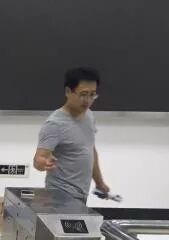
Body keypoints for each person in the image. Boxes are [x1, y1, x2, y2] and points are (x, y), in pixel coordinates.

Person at [34, 67, 111, 202]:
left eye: (92, 95)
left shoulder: (89, 115)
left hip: (80, 195)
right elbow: (38, 160)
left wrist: (99, 183)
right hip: (59, 196)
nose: (88, 100)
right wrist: (43, 163)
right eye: (83, 94)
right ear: (68, 91)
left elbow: (90, 150)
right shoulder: (55, 124)